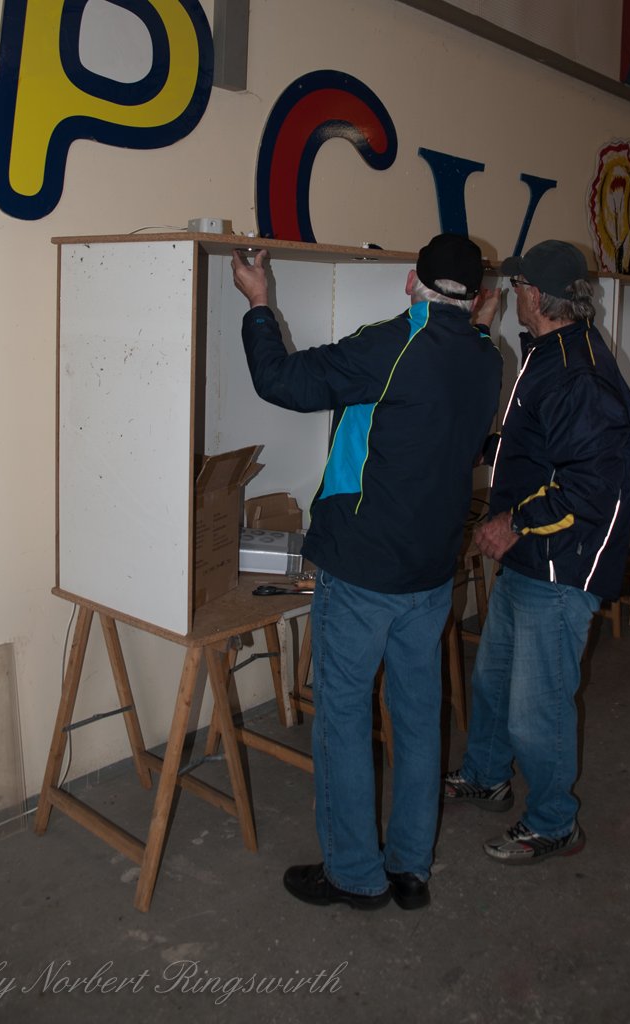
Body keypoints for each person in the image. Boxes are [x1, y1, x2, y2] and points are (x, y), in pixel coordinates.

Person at [231, 234, 502, 910]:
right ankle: (410, 869)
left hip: (362, 571)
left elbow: (280, 381)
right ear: (477, 298)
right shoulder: (486, 355)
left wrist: (259, 302)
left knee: (344, 717)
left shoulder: (392, 345)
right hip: (431, 572)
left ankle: (354, 873)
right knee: (419, 718)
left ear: (412, 281)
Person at [444, 239, 630, 864]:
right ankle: (487, 775)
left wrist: (513, 523)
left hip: (560, 566)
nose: (513, 296)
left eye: (517, 287)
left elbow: (589, 487)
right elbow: (539, 443)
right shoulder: (550, 351)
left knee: (539, 707)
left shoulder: (579, 374)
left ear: (533, 295)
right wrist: (485, 449)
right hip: (533, 558)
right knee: (495, 681)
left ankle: (554, 823)